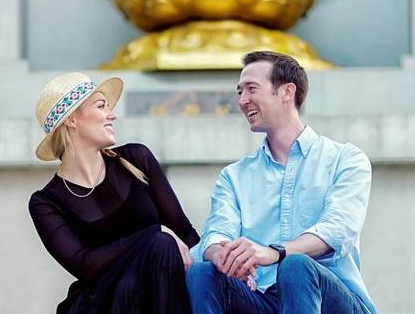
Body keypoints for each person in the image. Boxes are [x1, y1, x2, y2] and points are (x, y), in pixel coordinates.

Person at [186, 51, 377, 313]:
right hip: (264, 299)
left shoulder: (346, 159)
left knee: (296, 265)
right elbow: (217, 230)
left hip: (335, 303)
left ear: (287, 92)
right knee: (203, 273)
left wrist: (274, 252)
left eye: (251, 89)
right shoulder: (234, 176)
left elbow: (339, 229)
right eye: (239, 91)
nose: (242, 100)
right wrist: (221, 254)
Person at [28, 72, 200, 313]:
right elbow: (84, 265)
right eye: (101, 106)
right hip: (103, 303)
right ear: (72, 120)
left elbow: (184, 232)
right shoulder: (46, 202)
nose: (112, 115)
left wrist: (217, 266)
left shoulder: (136, 159)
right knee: (160, 244)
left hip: (160, 292)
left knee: (163, 247)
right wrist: (155, 232)